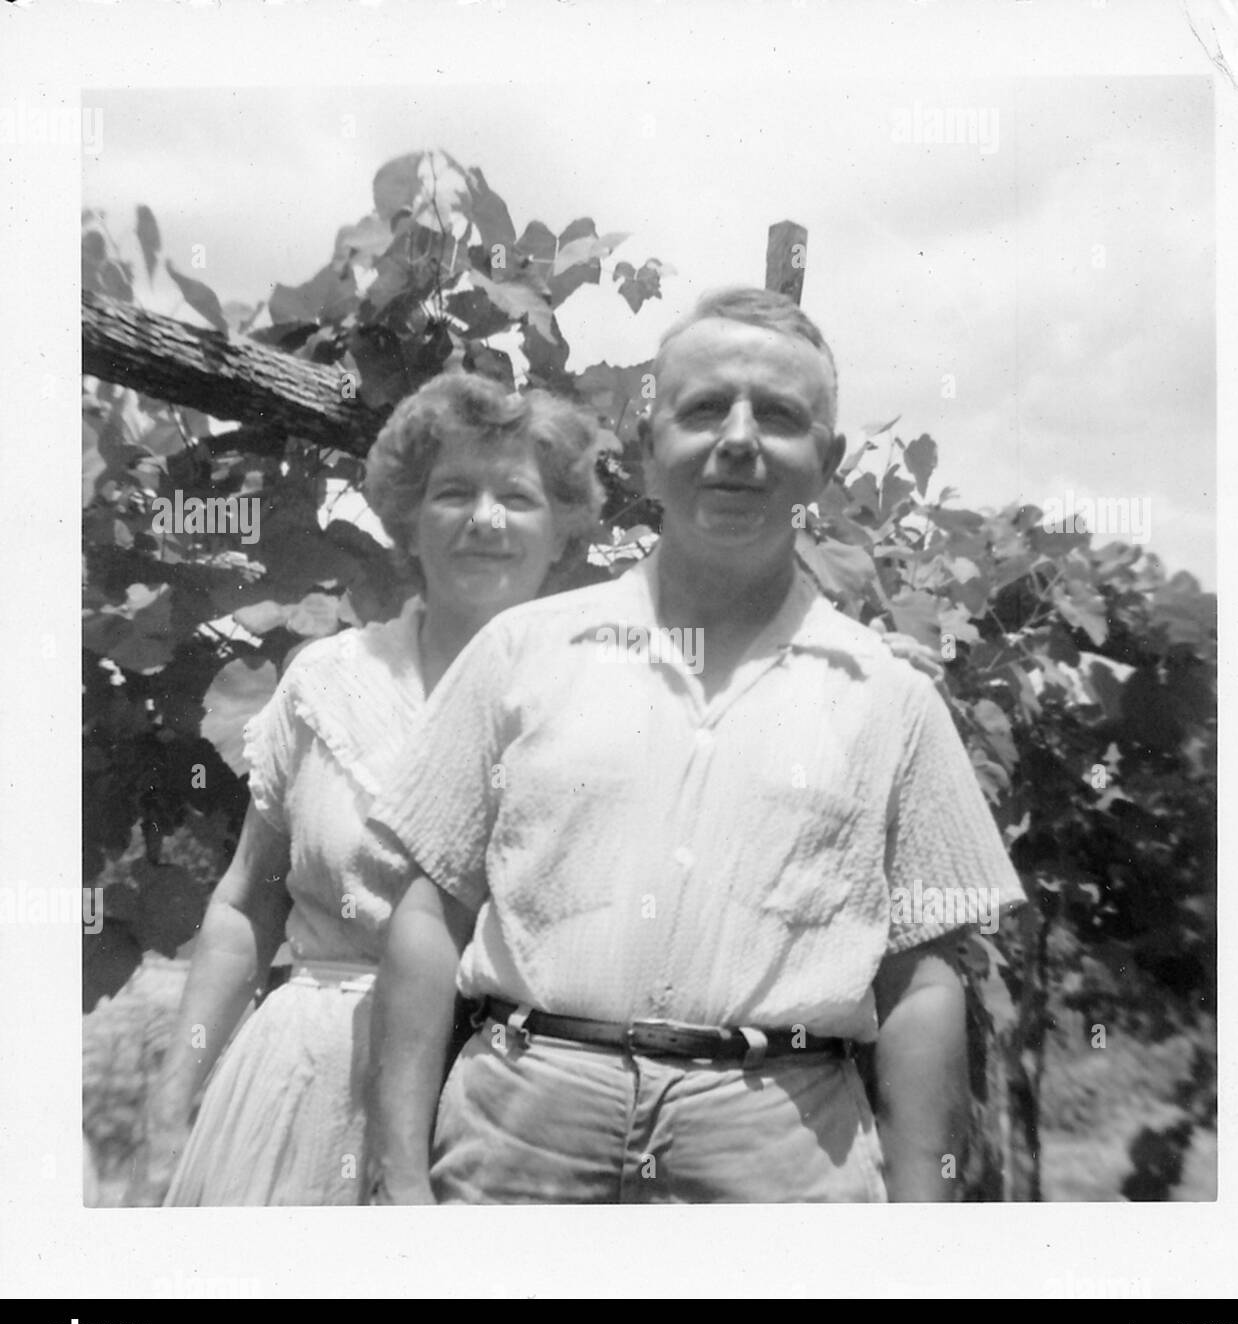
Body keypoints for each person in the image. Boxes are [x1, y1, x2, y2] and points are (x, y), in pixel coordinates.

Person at [365, 286, 1027, 1205]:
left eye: (781, 417)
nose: (741, 439)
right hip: (522, 1132)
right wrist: (397, 1179)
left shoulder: (893, 698)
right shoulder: (522, 652)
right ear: (646, 445)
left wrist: (920, 1231)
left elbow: (923, 982)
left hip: (780, 1152)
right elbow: (428, 915)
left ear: (825, 464)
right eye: (705, 407)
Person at [127, 372, 606, 1206]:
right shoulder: (326, 681)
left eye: (518, 496)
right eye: (454, 491)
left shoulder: (603, 702)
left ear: (563, 529)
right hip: (307, 1087)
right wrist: (171, 1107)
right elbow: (245, 904)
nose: (485, 518)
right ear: (407, 519)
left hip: (508, 1109)